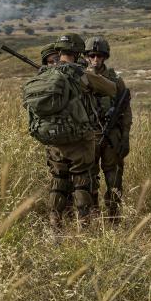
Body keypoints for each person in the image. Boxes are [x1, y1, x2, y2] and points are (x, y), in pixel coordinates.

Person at [36, 34, 117, 226]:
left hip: (54, 138)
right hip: (80, 138)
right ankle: (84, 224)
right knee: (82, 180)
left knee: (58, 180)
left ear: (59, 51)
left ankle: (55, 222)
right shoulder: (81, 74)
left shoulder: (45, 74)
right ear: (78, 52)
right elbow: (112, 89)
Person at [85, 36, 132, 218]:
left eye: (99, 56)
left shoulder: (115, 79)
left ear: (105, 57)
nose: (96, 59)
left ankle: (113, 214)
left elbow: (126, 110)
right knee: (89, 177)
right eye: (92, 55)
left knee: (114, 176)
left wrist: (125, 135)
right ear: (87, 56)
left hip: (112, 135)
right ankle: (92, 212)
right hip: (88, 135)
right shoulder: (81, 77)